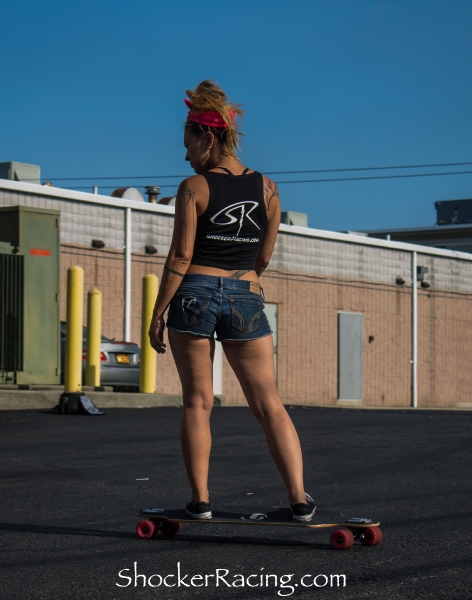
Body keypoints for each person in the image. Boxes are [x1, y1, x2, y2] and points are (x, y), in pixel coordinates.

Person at [148, 80, 315, 522]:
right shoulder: (269, 189)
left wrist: (158, 310)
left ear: (207, 137)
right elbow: (263, 256)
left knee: (197, 402)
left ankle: (200, 502)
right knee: (268, 403)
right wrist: (240, 283)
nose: (185, 155)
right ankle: (299, 499)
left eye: (187, 144)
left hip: (194, 295)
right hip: (245, 295)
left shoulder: (192, 187)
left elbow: (181, 256)